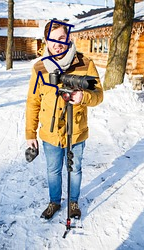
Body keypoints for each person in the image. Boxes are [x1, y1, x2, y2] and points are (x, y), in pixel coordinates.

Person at [25, 20, 103, 220]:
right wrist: (30, 134)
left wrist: (83, 97)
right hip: (50, 133)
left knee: (75, 168)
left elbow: (98, 95)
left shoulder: (85, 64)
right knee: (53, 170)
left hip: (76, 130)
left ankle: (73, 202)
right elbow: (33, 102)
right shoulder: (40, 68)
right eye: (53, 39)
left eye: (62, 38)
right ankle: (54, 202)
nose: (58, 43)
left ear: (68, 38)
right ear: (46, 42)